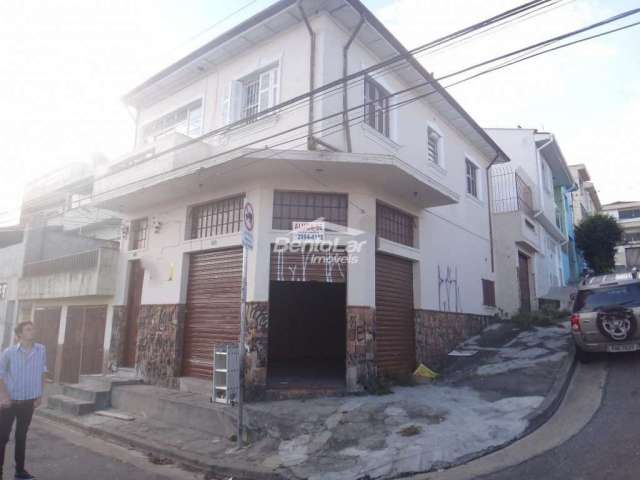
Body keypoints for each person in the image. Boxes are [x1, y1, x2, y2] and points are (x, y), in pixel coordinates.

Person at [0, 321, 47, 480]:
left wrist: (40, 394)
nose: (32, 331)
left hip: (28, 402)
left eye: (33, 328)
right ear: (19, 334)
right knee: (2, 437)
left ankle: (19, 471)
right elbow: (0, 374)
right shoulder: (9, 352)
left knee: (21, 436)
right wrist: (3, 395)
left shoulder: (41, 349)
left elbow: (42, 371)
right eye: (28, 329)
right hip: (10, 402)